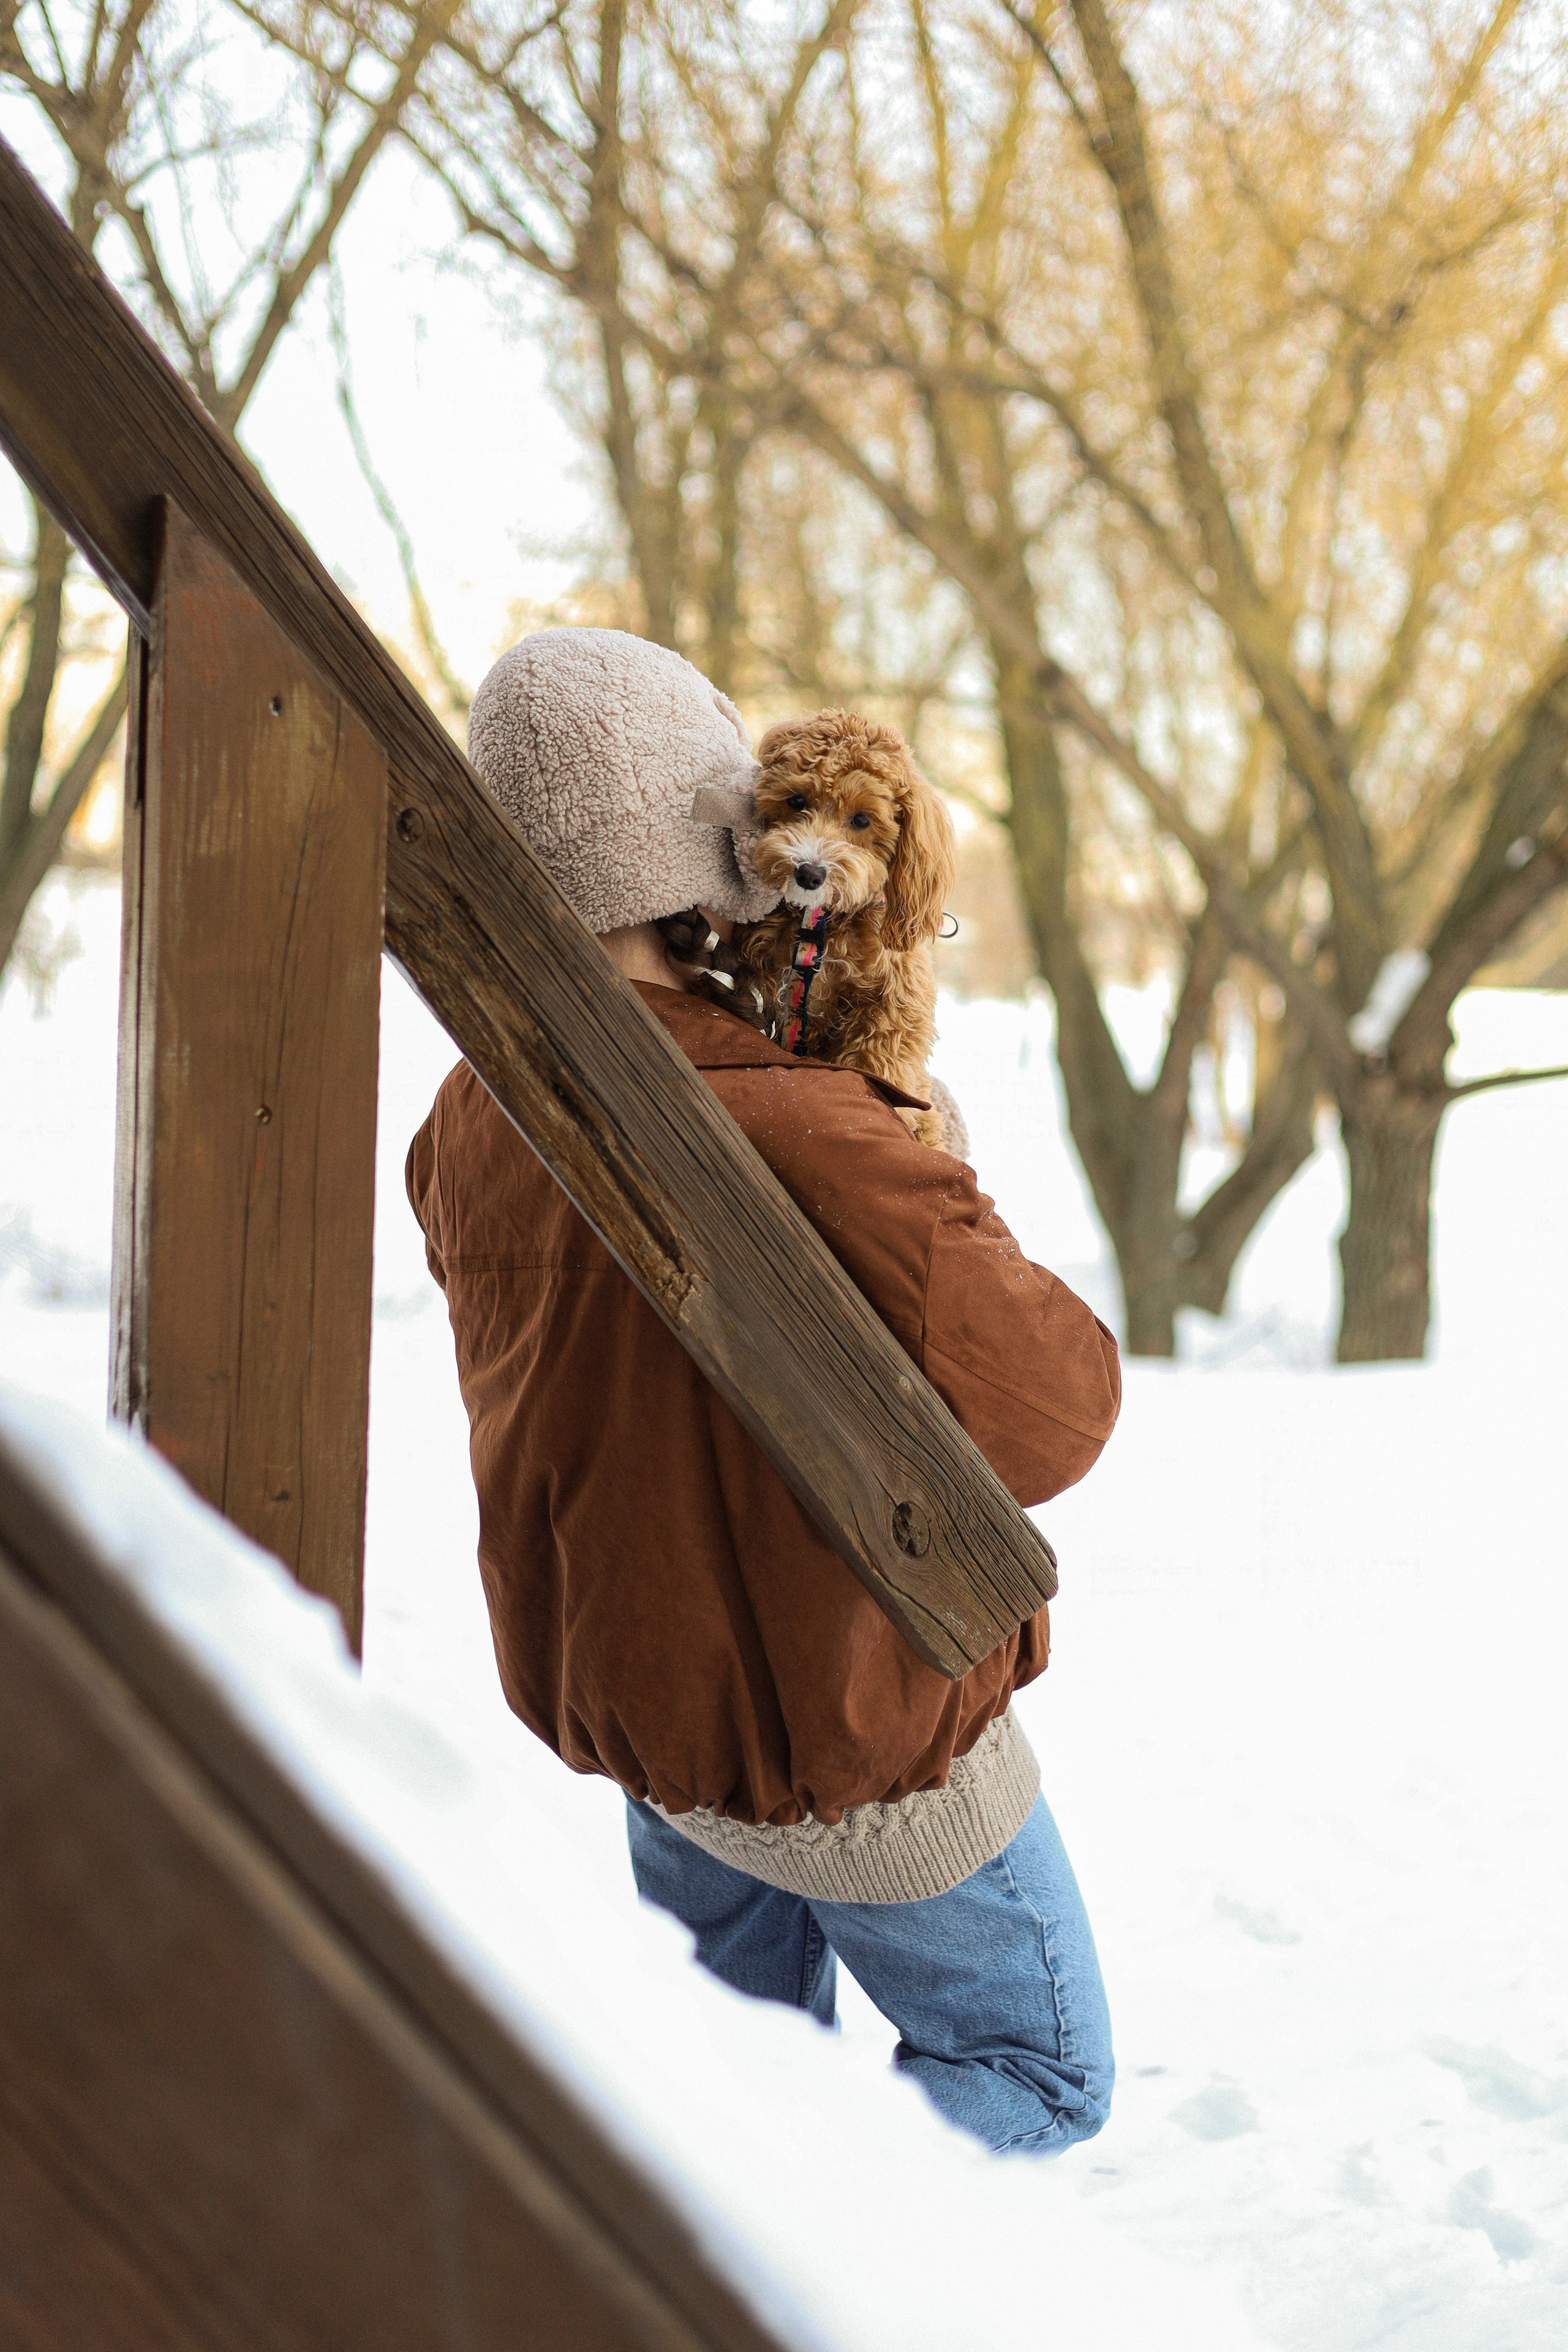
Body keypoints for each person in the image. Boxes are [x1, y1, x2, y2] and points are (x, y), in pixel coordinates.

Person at [407, 627, 1123, 2156]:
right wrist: (929, 1157)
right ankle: (818, 2284)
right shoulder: (807, 1127)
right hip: (852, 1742)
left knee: (731, 2110)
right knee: (1031, 2068)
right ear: (709, 849)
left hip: (654, 1738)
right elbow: (1059, 1406)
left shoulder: (465, 1120)